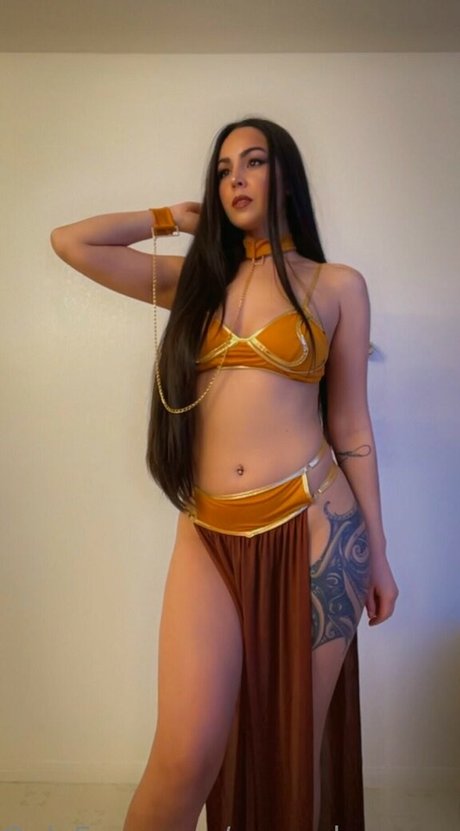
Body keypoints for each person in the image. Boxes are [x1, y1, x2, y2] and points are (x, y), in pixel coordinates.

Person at [50, 116, 399, 831]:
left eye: (254, 162)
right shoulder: (193, 284)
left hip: (317, 530)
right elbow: (71, 242)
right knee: (181, 761)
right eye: (223, 169)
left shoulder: (338, 285)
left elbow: (352, 428)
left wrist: (381, 554)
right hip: (207, 530)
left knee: (290, 758)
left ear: (286, 177)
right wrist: (170, 218)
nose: (236, 178)